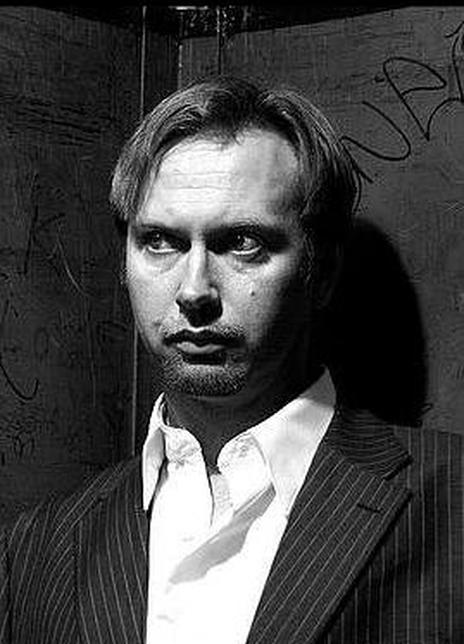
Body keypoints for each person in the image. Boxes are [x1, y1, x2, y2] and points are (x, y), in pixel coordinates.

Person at [0, 77, 462, 644]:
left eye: (243, 242)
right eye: (160, 241)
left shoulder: (453, 503)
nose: (194, 290)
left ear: (323, 271)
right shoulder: (33, 551)